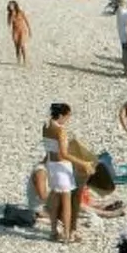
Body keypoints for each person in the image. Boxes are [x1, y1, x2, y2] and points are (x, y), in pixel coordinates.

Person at [42, 102, 83, 243]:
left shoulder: (46, 126)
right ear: (61, 115)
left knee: (54, 200)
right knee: (66, 203)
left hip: (51, 164)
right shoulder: (60, 130)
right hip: (61, 167)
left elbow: (48, 149)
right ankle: (66, 234)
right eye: (67, 116)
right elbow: (64, 154)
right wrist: (82, 163)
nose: (68, 119)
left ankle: (53, 231)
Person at [115, 0, 127, 78]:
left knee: (124, 52)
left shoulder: (119, 11)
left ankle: (126, 69)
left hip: (122, 35)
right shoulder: (126, 13)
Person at [7, 1, 30, 65]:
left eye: (12, 5)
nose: (11, 7)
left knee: (22, 45)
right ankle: (18, 60)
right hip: (15, 31)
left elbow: (26, 21)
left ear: (15, 6)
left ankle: (25, 60)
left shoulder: (20, 12)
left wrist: (29, 30)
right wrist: (11, 15)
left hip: (22, 30)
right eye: (10, 6)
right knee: (17, 46)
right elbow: (9, 24)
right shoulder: (9, 14)